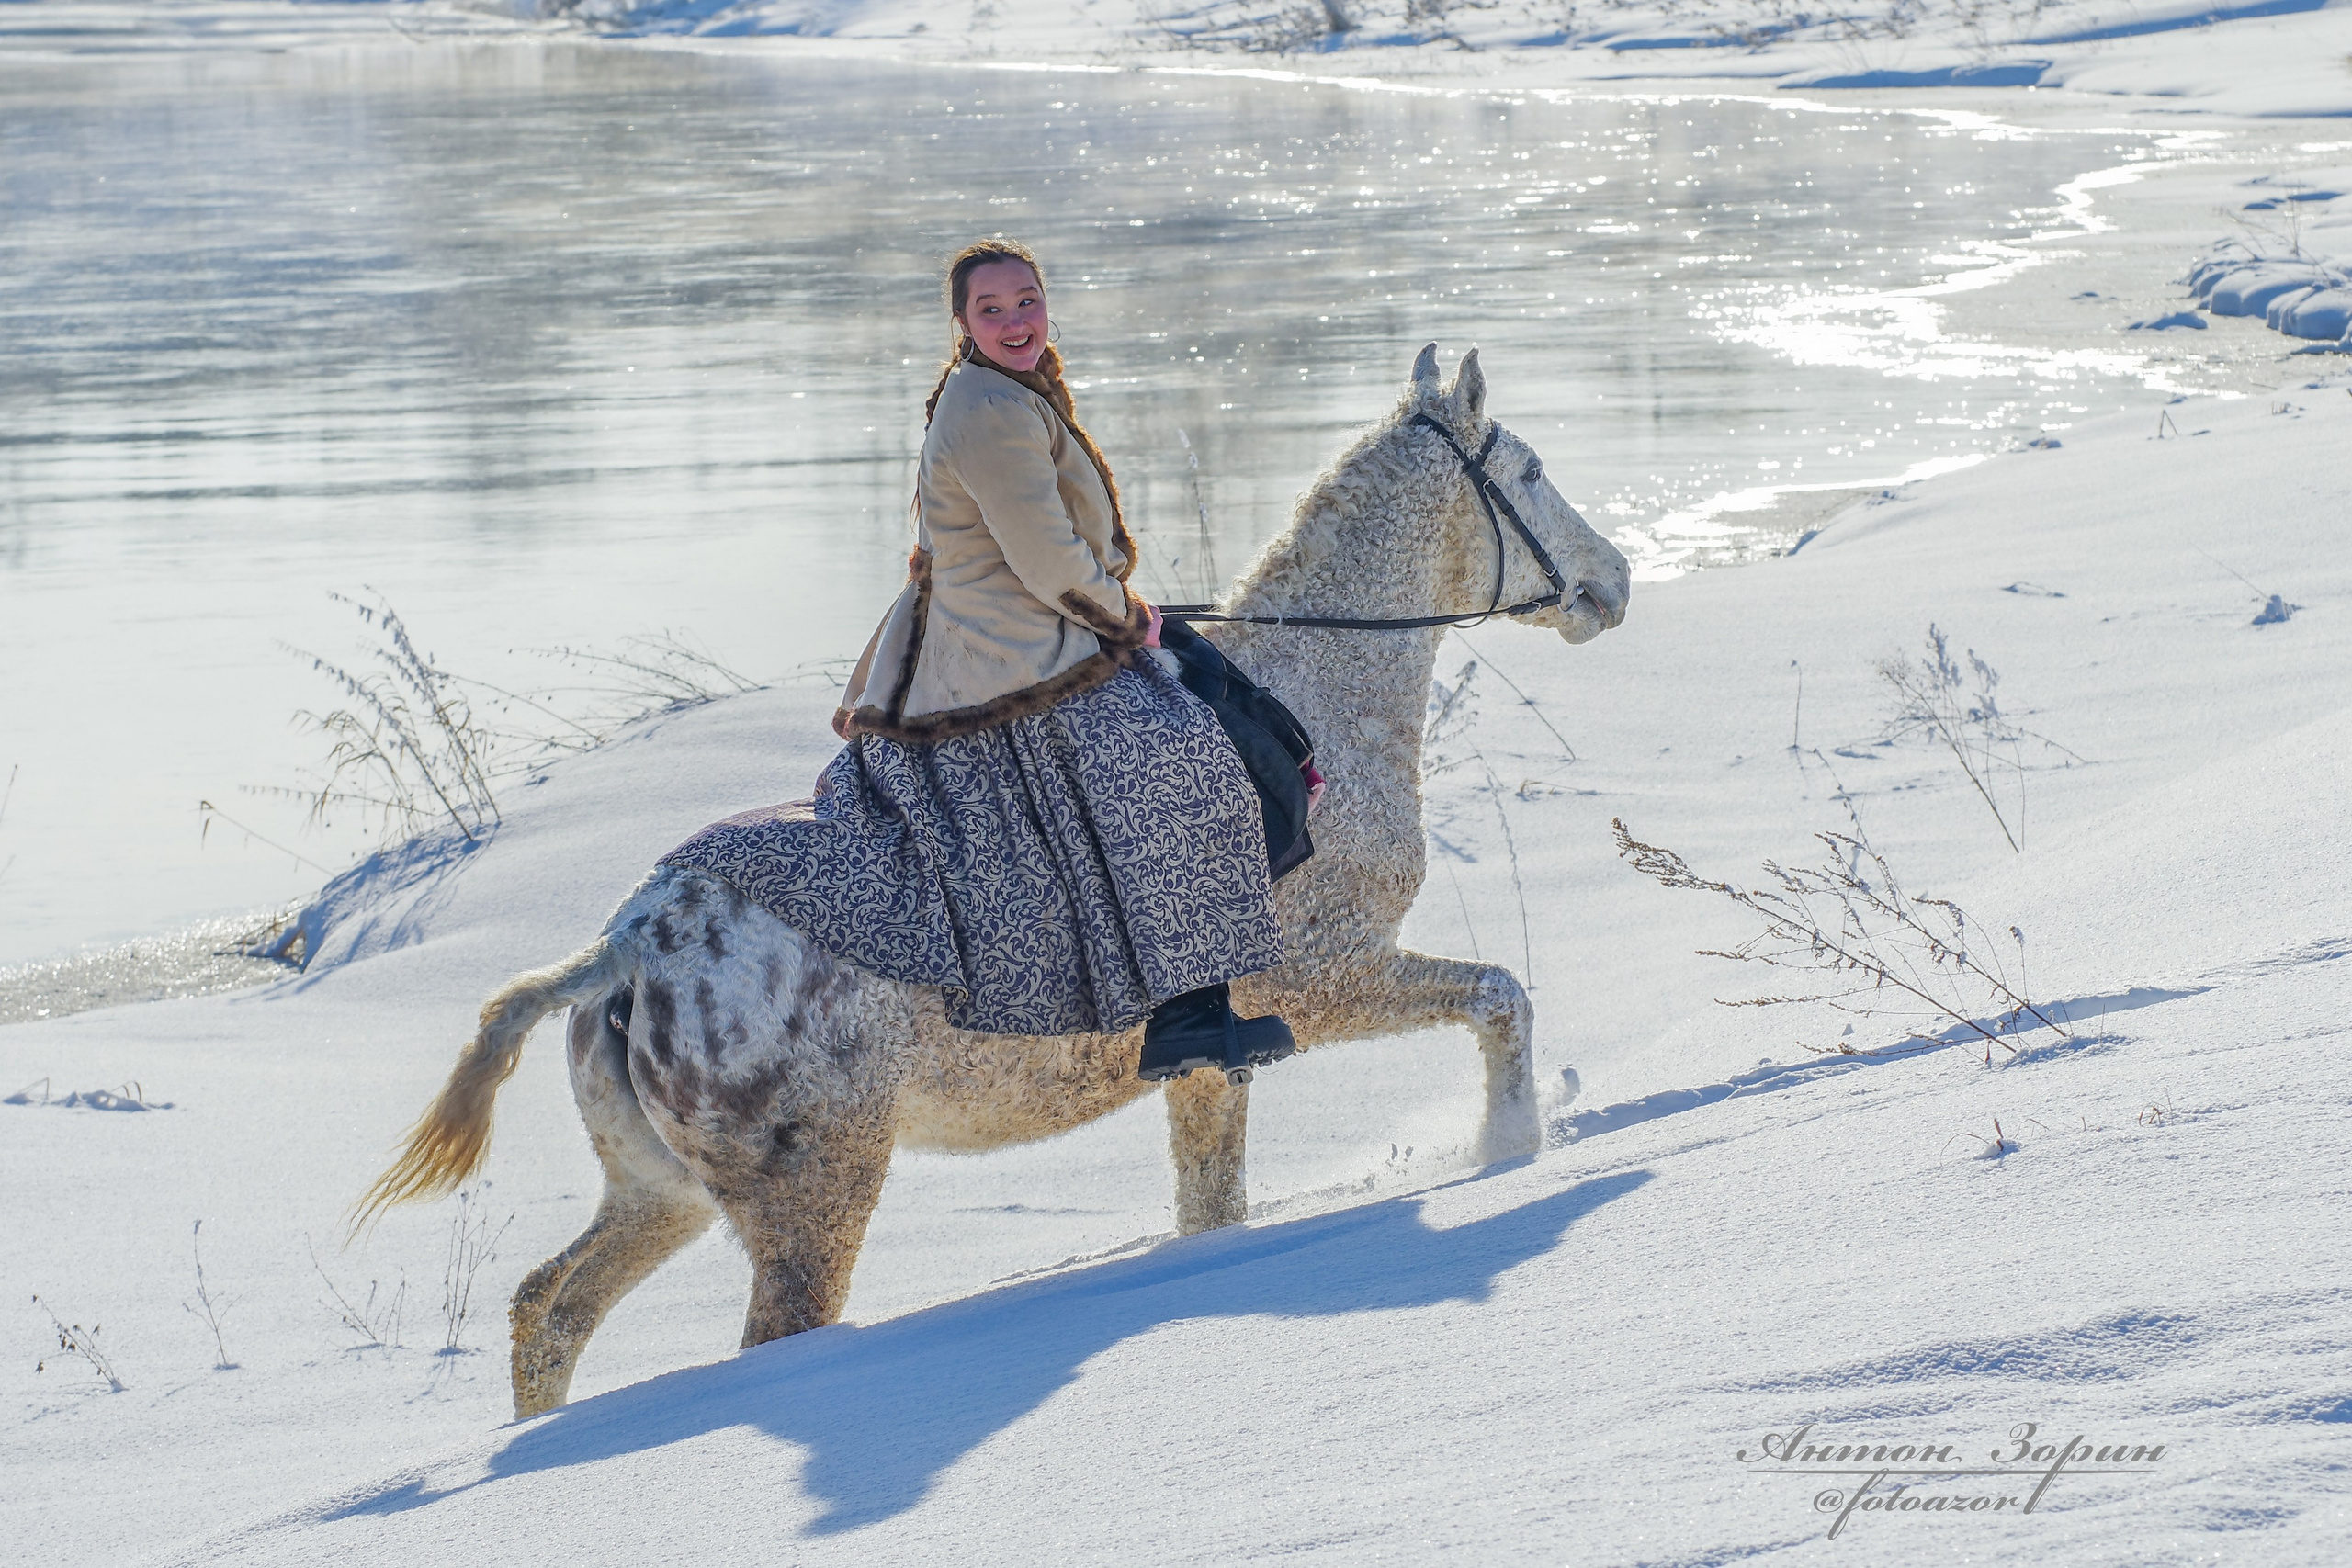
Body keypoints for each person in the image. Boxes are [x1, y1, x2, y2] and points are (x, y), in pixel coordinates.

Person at [664, 238, 1294, 1081]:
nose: (1014, 321)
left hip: (1018, 626)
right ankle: (1183, 1011)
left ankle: (1195, 986)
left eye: (1026, 301)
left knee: (1191, 711)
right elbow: (1050, 562)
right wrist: (1129, 618)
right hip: (1016, 652)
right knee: (1172, 757)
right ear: (961, 321)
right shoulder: (990, 409)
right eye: (991, 309)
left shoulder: (1005, 391)